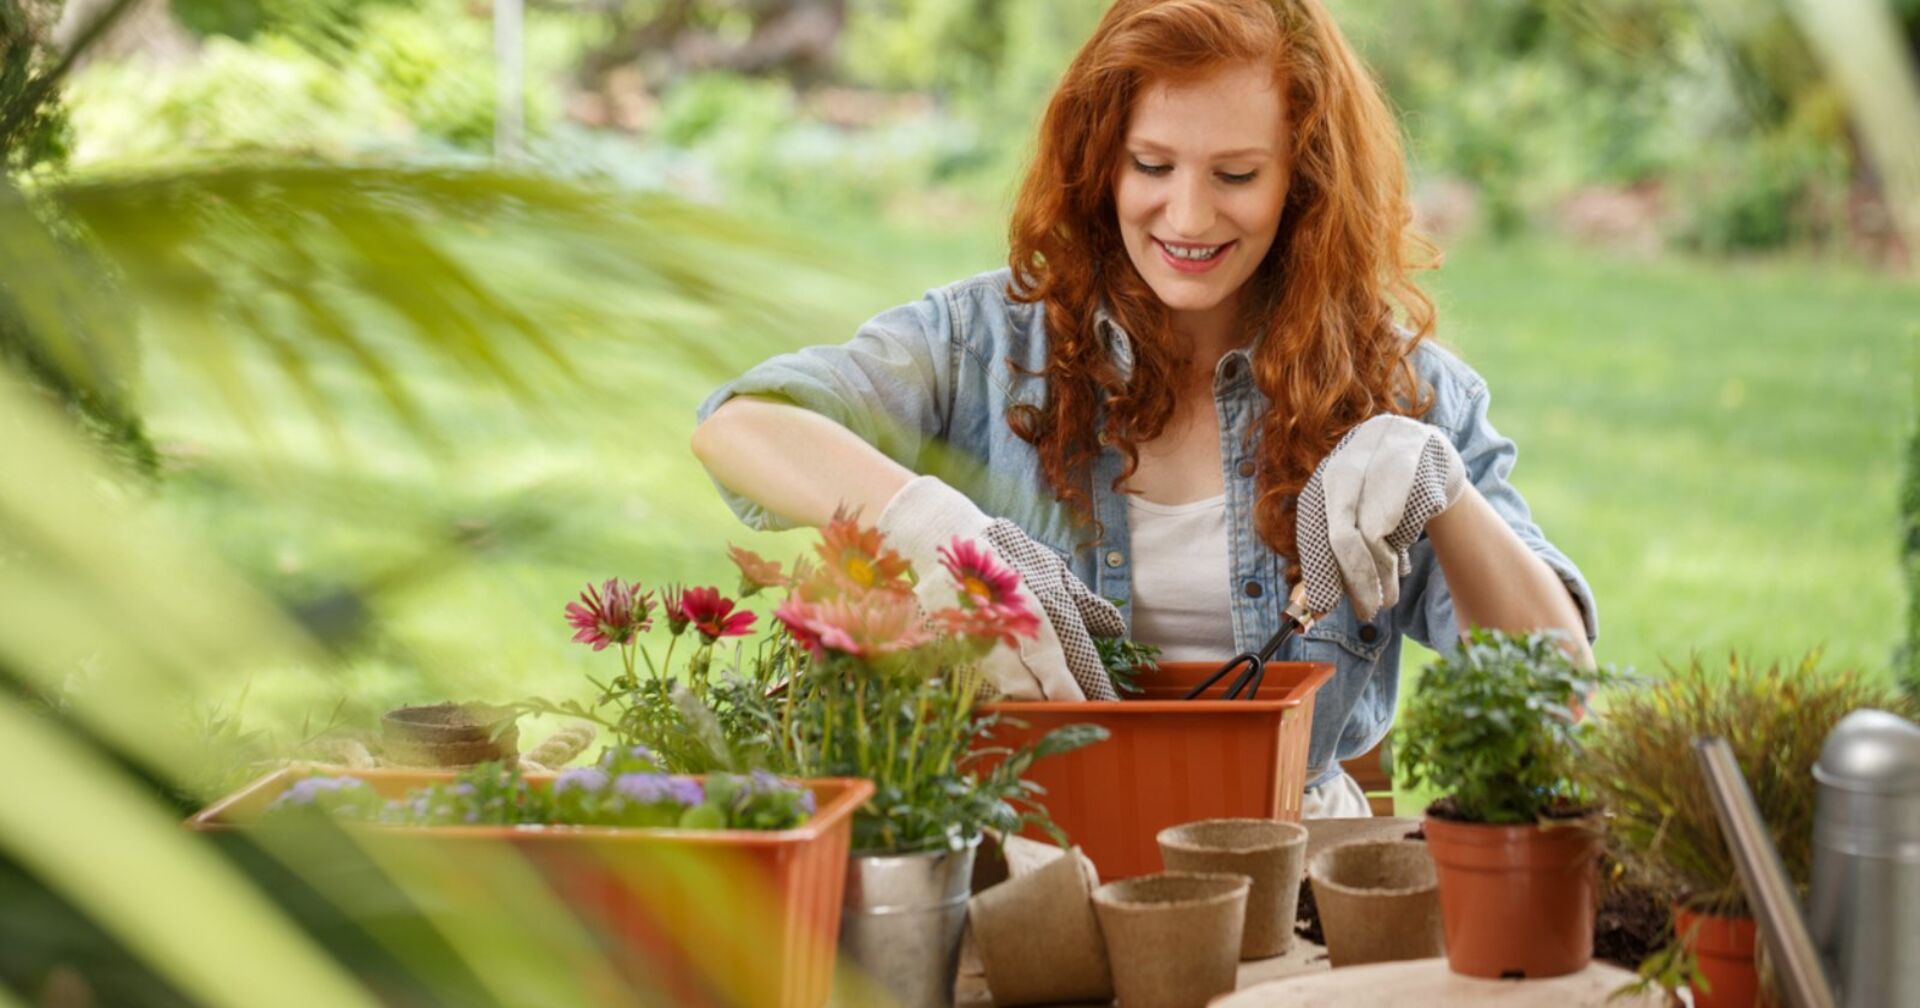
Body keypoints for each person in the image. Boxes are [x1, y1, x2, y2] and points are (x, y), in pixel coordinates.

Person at [690, 0, 1596, 818]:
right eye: (1152, 165)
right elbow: (741, 424)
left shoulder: (1399, 388)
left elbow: (1558, 688)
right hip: (1025, 861)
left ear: (1304, 180)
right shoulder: (984, 345)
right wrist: (932, 524)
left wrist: (1444, 489)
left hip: (1289, 874)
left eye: (1236, 175)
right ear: (1100, 161)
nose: (1188, 217)